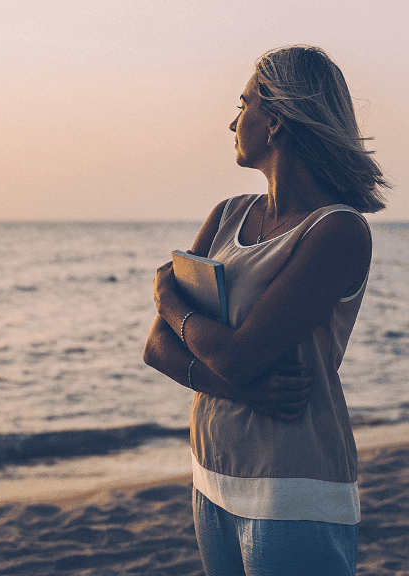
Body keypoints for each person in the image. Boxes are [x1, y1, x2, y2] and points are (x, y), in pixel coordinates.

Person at [143, 45, 389, 576]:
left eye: (244, 103)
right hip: (211, 474)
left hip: (292, 490)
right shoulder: (226, 216)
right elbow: (156, 348)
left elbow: (236, 355)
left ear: (275, 121)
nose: (234, 121)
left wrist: (169, 301)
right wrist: (242, 391)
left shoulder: (338, 232)